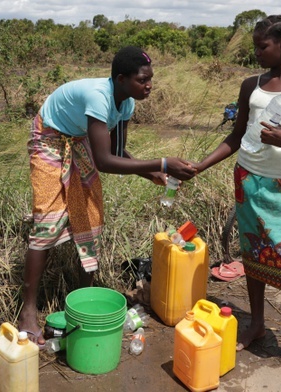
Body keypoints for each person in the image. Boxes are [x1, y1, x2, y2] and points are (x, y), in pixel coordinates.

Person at [18, 46, 197, 346]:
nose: (149, 85)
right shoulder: (98, 97)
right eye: (143, 80)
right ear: (121, 79)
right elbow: (104, 162)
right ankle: (27, 311)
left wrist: (149, 172)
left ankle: (83, 301)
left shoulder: (125, 103)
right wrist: (162, 163)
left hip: (78, 139)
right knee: (47, 222)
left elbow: (115, 152)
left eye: (151, 79)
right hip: (49, 137)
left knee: (89, 215)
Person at [194, 15, 281, 382]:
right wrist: (200, 165)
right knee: (252, 255)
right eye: (256, 45)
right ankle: (257, 324)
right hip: (247, 180)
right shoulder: (251, 86)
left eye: (263, 46)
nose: (257, 52)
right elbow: (238, 135)